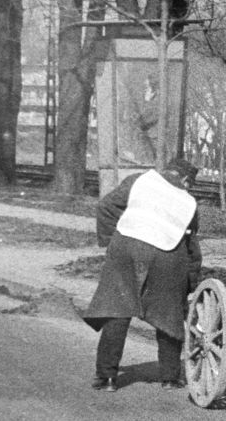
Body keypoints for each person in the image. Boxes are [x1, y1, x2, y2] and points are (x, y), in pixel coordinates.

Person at [83, 158, 203, 391]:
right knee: (168, 315)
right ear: (186, 180)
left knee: (116, 310)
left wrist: (112, 241)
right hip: (167, 256)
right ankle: (169, 378)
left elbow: (105, 208)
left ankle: (107, 378)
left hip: (125, 248)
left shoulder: (139, 180)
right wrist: (188, 285)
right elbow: (191, 249)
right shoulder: (189, 203)